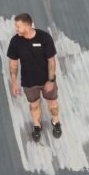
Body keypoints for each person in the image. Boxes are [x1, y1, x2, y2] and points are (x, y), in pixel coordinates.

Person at [6, 13, 62, 142]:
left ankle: (56, 122)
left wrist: (51, 80)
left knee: (52, 102)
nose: (16, 29)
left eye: (18, 26)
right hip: (29, 82)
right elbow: (13, 63)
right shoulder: (15, 41)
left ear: (27, 26)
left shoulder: (44, 38)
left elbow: (51, 61)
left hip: (46, 79)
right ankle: (37, 125)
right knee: (34, 105)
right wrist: (14, 82)